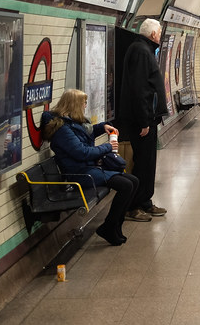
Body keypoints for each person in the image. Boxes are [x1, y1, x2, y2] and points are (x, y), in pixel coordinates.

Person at [43, 89, 139, 246]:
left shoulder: (71, 123)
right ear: (74, 105)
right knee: (126, 185)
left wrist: (102, 127)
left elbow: (85, 136)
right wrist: (108, 147)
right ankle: (109, 227)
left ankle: (115, 226)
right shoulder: (62, 130)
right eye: (83, 103)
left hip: (89, 169)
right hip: (80, 174)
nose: (85, 105)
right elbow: (82, 152)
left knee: (133, 181)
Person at [117, 18, 167, 221]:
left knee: (148, 163)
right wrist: (144, 121)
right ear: (154, 34)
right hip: (142, 121)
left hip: (148, 119)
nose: (161, 36)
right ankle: (133, 205)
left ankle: (145, 201)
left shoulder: (144, 49)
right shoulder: (140, 51)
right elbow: (139, 89)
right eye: (160, 32)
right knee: (142, 163)